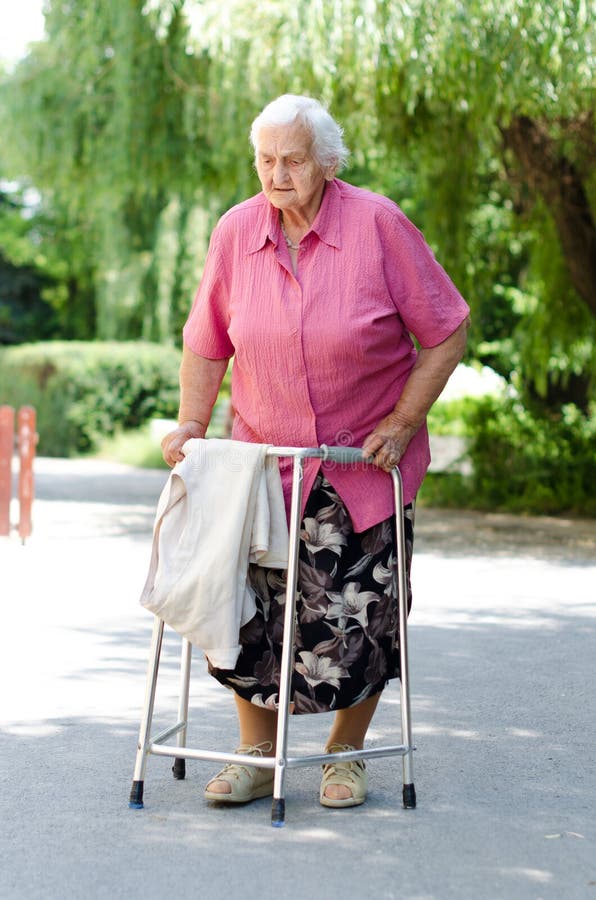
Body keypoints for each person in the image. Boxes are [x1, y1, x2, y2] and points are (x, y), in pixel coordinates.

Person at [161, 94, 470, 808]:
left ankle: (345, 755)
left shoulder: (379, 225)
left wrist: (402, 421)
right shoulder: (237, 232)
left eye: (291, 159)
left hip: (360, 465)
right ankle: (253, 754)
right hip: (261, 466)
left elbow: (446, 331)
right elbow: (207, 343)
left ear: (325, 162)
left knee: (360, 619)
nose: (276, 173)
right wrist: (190, 424)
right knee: (249, 616)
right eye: (265, 159)